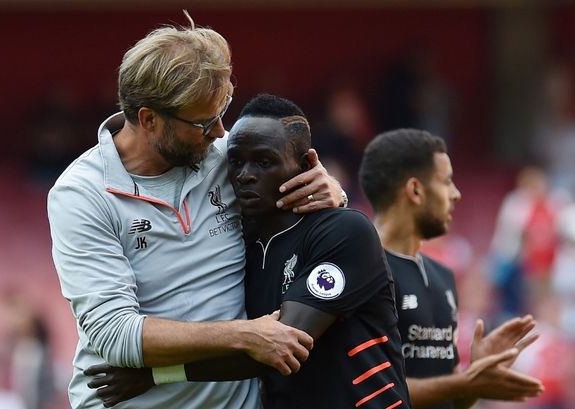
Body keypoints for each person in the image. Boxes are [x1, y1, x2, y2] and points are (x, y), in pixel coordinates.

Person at [47, 15, 345, 409]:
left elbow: (319, 230)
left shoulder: (229, 159)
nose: (221, 132)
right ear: (149, 120)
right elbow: (117, 335)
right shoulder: (81, 194)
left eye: (223, 112)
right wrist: (244, 335)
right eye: (204, 122)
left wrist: (332, 194)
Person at [85, 94, 411, 409]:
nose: (245, 175)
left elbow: (280, 345)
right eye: (236, 162)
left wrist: (157, 375)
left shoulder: (343, 232)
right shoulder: (241, 242)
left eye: (265, 162)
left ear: (307, 164)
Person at [358, 128, 545, 409]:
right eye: (446, 182)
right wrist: (469, 380)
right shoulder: (363, 271)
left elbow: (452, 401)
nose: (456, 194)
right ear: (415, 190)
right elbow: (376, 391)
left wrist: (475, 377)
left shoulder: (443, 277)